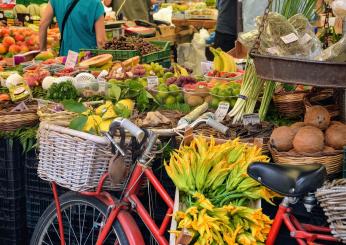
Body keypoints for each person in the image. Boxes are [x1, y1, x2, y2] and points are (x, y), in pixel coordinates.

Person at [39, 0, 106, 56]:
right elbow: (101, 41)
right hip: (87, 59)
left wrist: (43, 52)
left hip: (65, 59)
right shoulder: (96, 3)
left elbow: (42, 24)